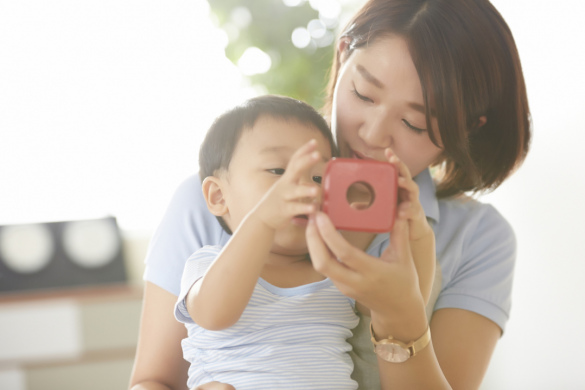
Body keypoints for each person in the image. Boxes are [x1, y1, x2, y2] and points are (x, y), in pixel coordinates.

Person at [129, 0, 531, 389]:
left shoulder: (478, 240)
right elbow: (153, 381)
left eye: (414, 123)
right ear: (342, 56)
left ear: (468, 129)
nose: (372, 135)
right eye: (363, 93)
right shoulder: (219, 197)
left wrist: (402, 319)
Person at [174, 95, 353, 389]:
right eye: (278, 171)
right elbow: (214, 314)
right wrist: (263, 221)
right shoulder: (207, 265)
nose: (306, 187)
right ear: (218, 197)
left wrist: (411, 234)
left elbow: (397, 310)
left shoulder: (339, 270)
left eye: (319, 177)